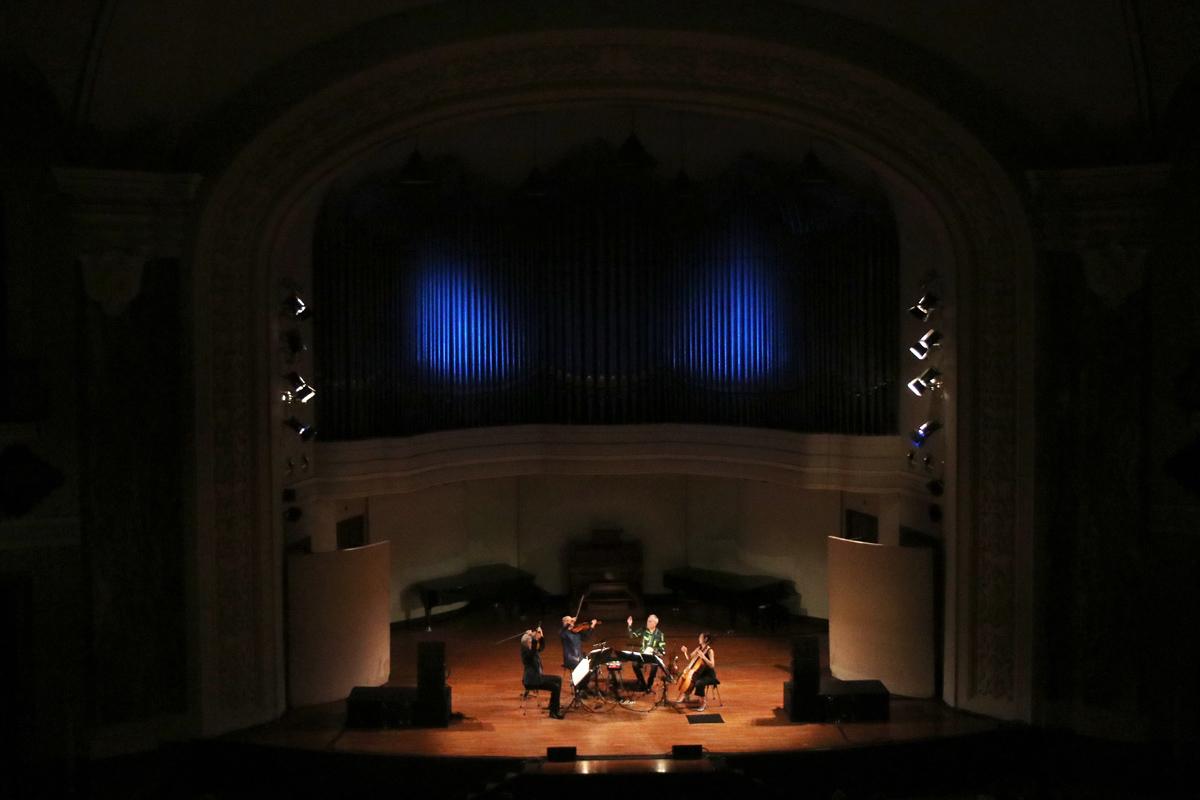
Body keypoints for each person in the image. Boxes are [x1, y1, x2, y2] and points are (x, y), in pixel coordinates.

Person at [520, 626, 564, 719]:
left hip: (537, 677)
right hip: (532, 681)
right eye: (531, 642)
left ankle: (553, 706)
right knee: (555, 687)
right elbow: (532, 651)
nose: (532, 643)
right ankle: (553, 712)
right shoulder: (526, 653)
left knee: (558, 679)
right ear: (528, 643)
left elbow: (542, 647)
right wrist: (534, 638)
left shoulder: (532, 650)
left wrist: (542, 635)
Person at [677, 632, 719, 712]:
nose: (698, 639)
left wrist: (704, 657)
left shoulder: (710, 651)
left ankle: (703, 703)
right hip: (699, 673)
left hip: (709, 675)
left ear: (705, 639)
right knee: (684, 675)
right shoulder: (699, 648)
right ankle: (685, 694)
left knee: (699, 683)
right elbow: (690, 658)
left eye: (700, 637)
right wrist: (685, 652)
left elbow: (712, 665)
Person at [626, 613, 666, 693]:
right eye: (647, 621)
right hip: (643, 655)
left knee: (654, 666)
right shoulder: (643, 630)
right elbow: (631, 636)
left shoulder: (660, 634)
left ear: (655, 623)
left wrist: (654, 650)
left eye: (650, 621)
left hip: (652, 656)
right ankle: (643, 683)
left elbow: (662, 649)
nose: (647, 622)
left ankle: (649, 685)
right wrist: (629, 625)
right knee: (634, 664)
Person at [560, 615, 599, 694]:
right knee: (584, 670)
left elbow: (586, 638)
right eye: (569, 621)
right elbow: (562, 631)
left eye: (572, 621)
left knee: (592, 668)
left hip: (579, 657)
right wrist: (569, 622)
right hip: (570, 659)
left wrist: (592, 626)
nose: (572, 623)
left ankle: (582, 688)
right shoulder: (564, 634)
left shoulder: (576, 632)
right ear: (565, 623)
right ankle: (580, 689)